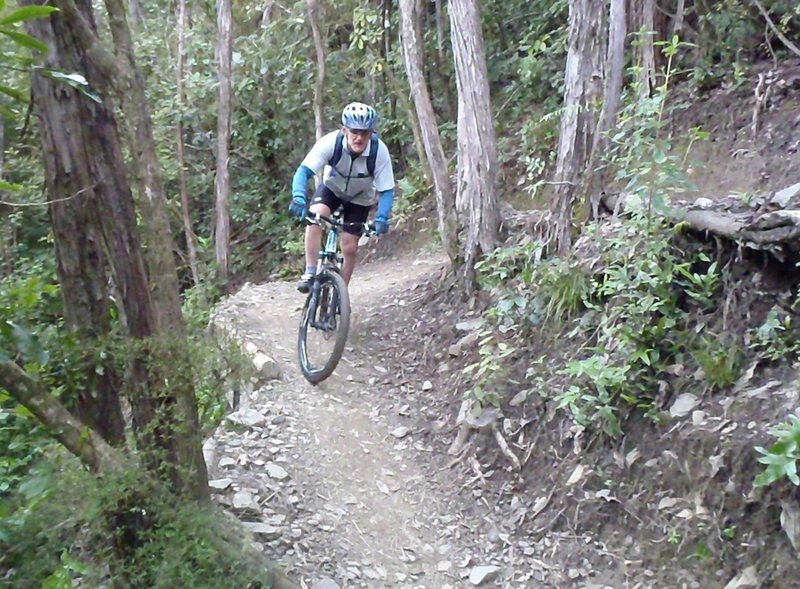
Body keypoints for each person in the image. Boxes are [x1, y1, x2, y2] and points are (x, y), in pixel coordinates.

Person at [288, 102, 395, 293]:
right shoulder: (331, 143)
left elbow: (386, 189)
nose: (359, 137)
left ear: (372, 132)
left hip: (360, 198)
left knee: (349, 245)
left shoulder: (379, 152)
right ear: (344, 129)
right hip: (332, 189)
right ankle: (310, 270)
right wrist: (298, 197)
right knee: (315, 217)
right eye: (354, 131)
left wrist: (382, 217)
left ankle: (341, 292)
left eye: (365, 132)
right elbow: (303, 172)